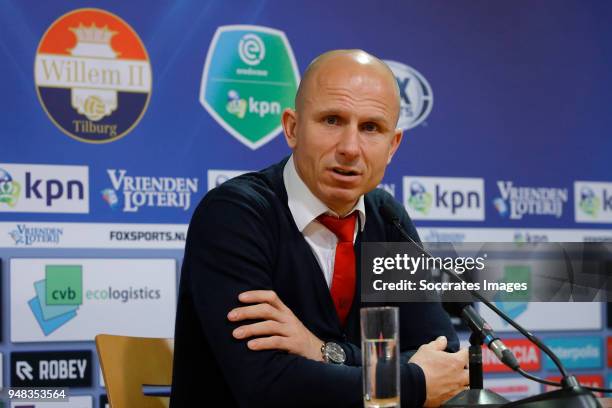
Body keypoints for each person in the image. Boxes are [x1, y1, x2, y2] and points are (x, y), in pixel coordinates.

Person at [170, 49, 469, 408]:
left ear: (393, 146)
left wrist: (324, 352)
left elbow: (444, 358)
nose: (349, 148)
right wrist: (412, 384)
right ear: (292, 128)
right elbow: (267, 385)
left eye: (371, 128)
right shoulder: (234, 215)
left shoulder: (387, 218)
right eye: (331, 120)